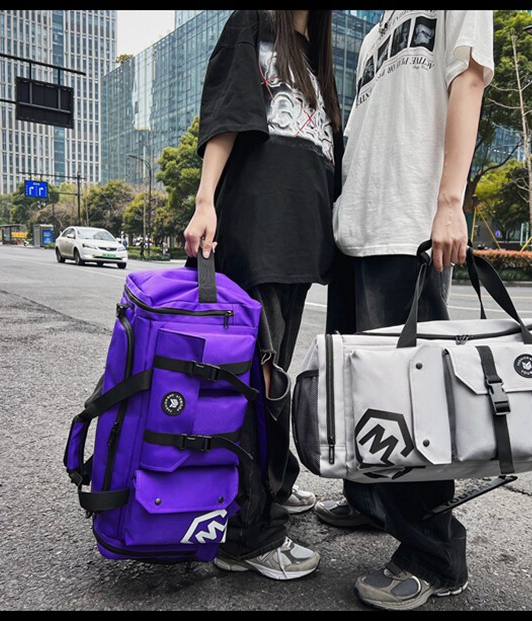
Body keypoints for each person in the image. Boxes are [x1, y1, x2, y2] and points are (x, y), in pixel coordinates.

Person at [315, 10, 494, 610]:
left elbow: (469, 81)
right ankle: (370, 502)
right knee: (361, 395)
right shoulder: (374, 34)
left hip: (407, 227)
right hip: (356, 230)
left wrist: (450, 203)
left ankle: (433, 555)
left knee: (413, 404)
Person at [183, 9, 343, 580]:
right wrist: (205, 200)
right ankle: (246, 535)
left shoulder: (315, 53)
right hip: (257, 227)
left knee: (270, 377)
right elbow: (227, 109)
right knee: (257, 382)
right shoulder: (254, 21)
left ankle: (271, 486)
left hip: (298, 240)